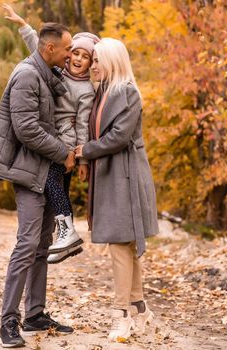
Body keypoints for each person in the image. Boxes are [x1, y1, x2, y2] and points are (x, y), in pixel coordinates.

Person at [0, 22, 76, 348]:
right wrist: (63, 152)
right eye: (67, 49)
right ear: (49, 48)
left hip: (47, 171)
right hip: (28, 173)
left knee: (42, 244)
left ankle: (35, 314)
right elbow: (26, 129)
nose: (70, 55)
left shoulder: (46, 74)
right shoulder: (27, 75)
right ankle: (8, 323)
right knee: (26, 246)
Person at [75, 38, 160, 341]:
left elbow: (119, 138)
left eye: (97, 60)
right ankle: (141, 310)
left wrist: (85, 151)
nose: (92, 65)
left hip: (126, 176)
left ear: (112, 60)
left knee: (120, 246)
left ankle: (120, 314)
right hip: (109, 175)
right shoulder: (101, 93)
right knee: (126, 246)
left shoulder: (128, 93)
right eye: (92, 59)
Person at [3, 4, 99, 263]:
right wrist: (23, 25)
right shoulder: (58, 70)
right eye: (74, 53)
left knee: (52, 185)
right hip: (50, 138)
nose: (77, 59)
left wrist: (82, 159)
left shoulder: (86, 90)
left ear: (91, 62)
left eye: (84, 56)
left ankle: (67, 232)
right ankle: (65, 236)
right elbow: (39, 45)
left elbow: (82, 125)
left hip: (64, 142)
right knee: (56, 190)